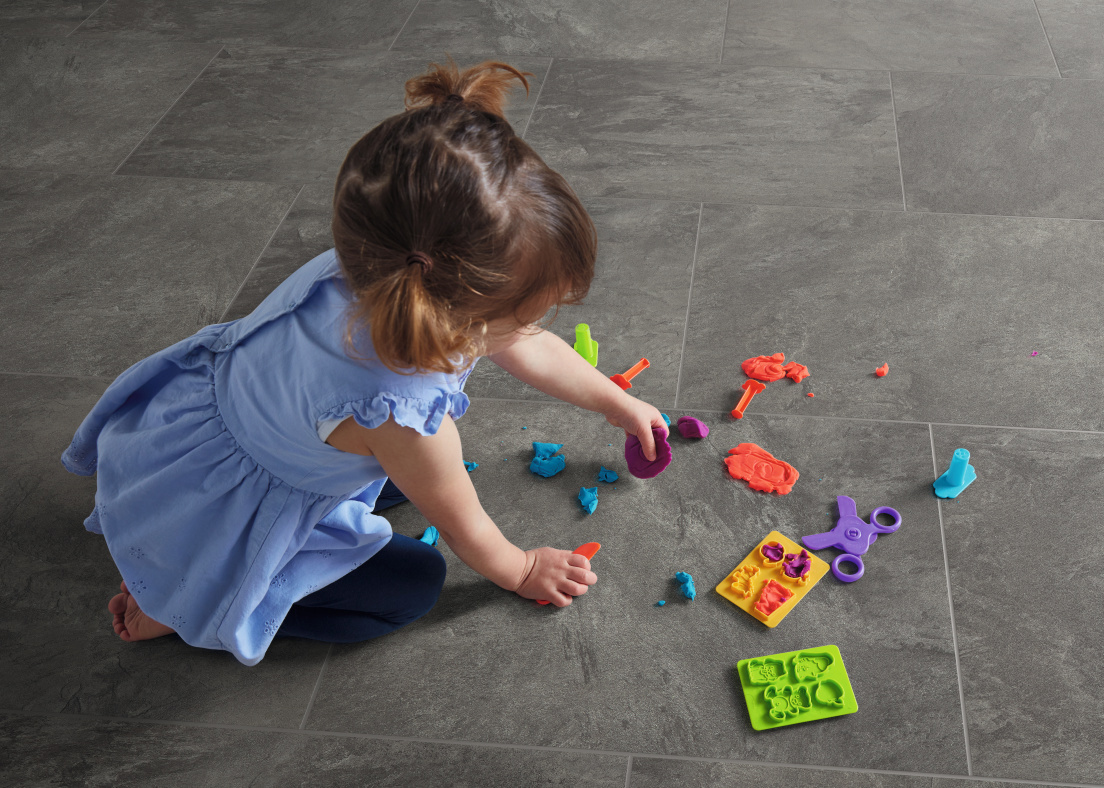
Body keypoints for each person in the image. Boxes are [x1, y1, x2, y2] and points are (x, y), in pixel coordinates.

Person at [60, 60, 666, 667]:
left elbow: (521, 342)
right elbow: (467, 532)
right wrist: (525, 568)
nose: (536, 327)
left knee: (403, 481)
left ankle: (179, 575)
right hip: (228, 526)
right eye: (527, 312)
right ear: (459, 322)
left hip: (178, 454)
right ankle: (190, 604)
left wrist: (616, 401)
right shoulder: (404, 417)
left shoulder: (378, 262)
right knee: (415, 584)